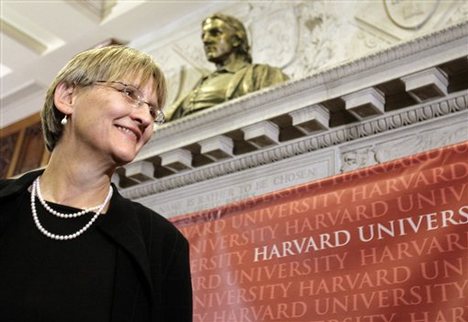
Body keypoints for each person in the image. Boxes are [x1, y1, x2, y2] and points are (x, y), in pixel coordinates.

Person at [0, 46, 192, 322]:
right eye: (129, 93)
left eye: (153, 110)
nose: (145, 118)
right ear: (68, 96)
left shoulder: (162, 244)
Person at [165, 13, 289, 121]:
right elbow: (163, 119)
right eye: (203, 35)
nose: (206, 40)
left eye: (215, 33)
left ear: (236, 40)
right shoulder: (202, 84)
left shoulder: (262, 74)